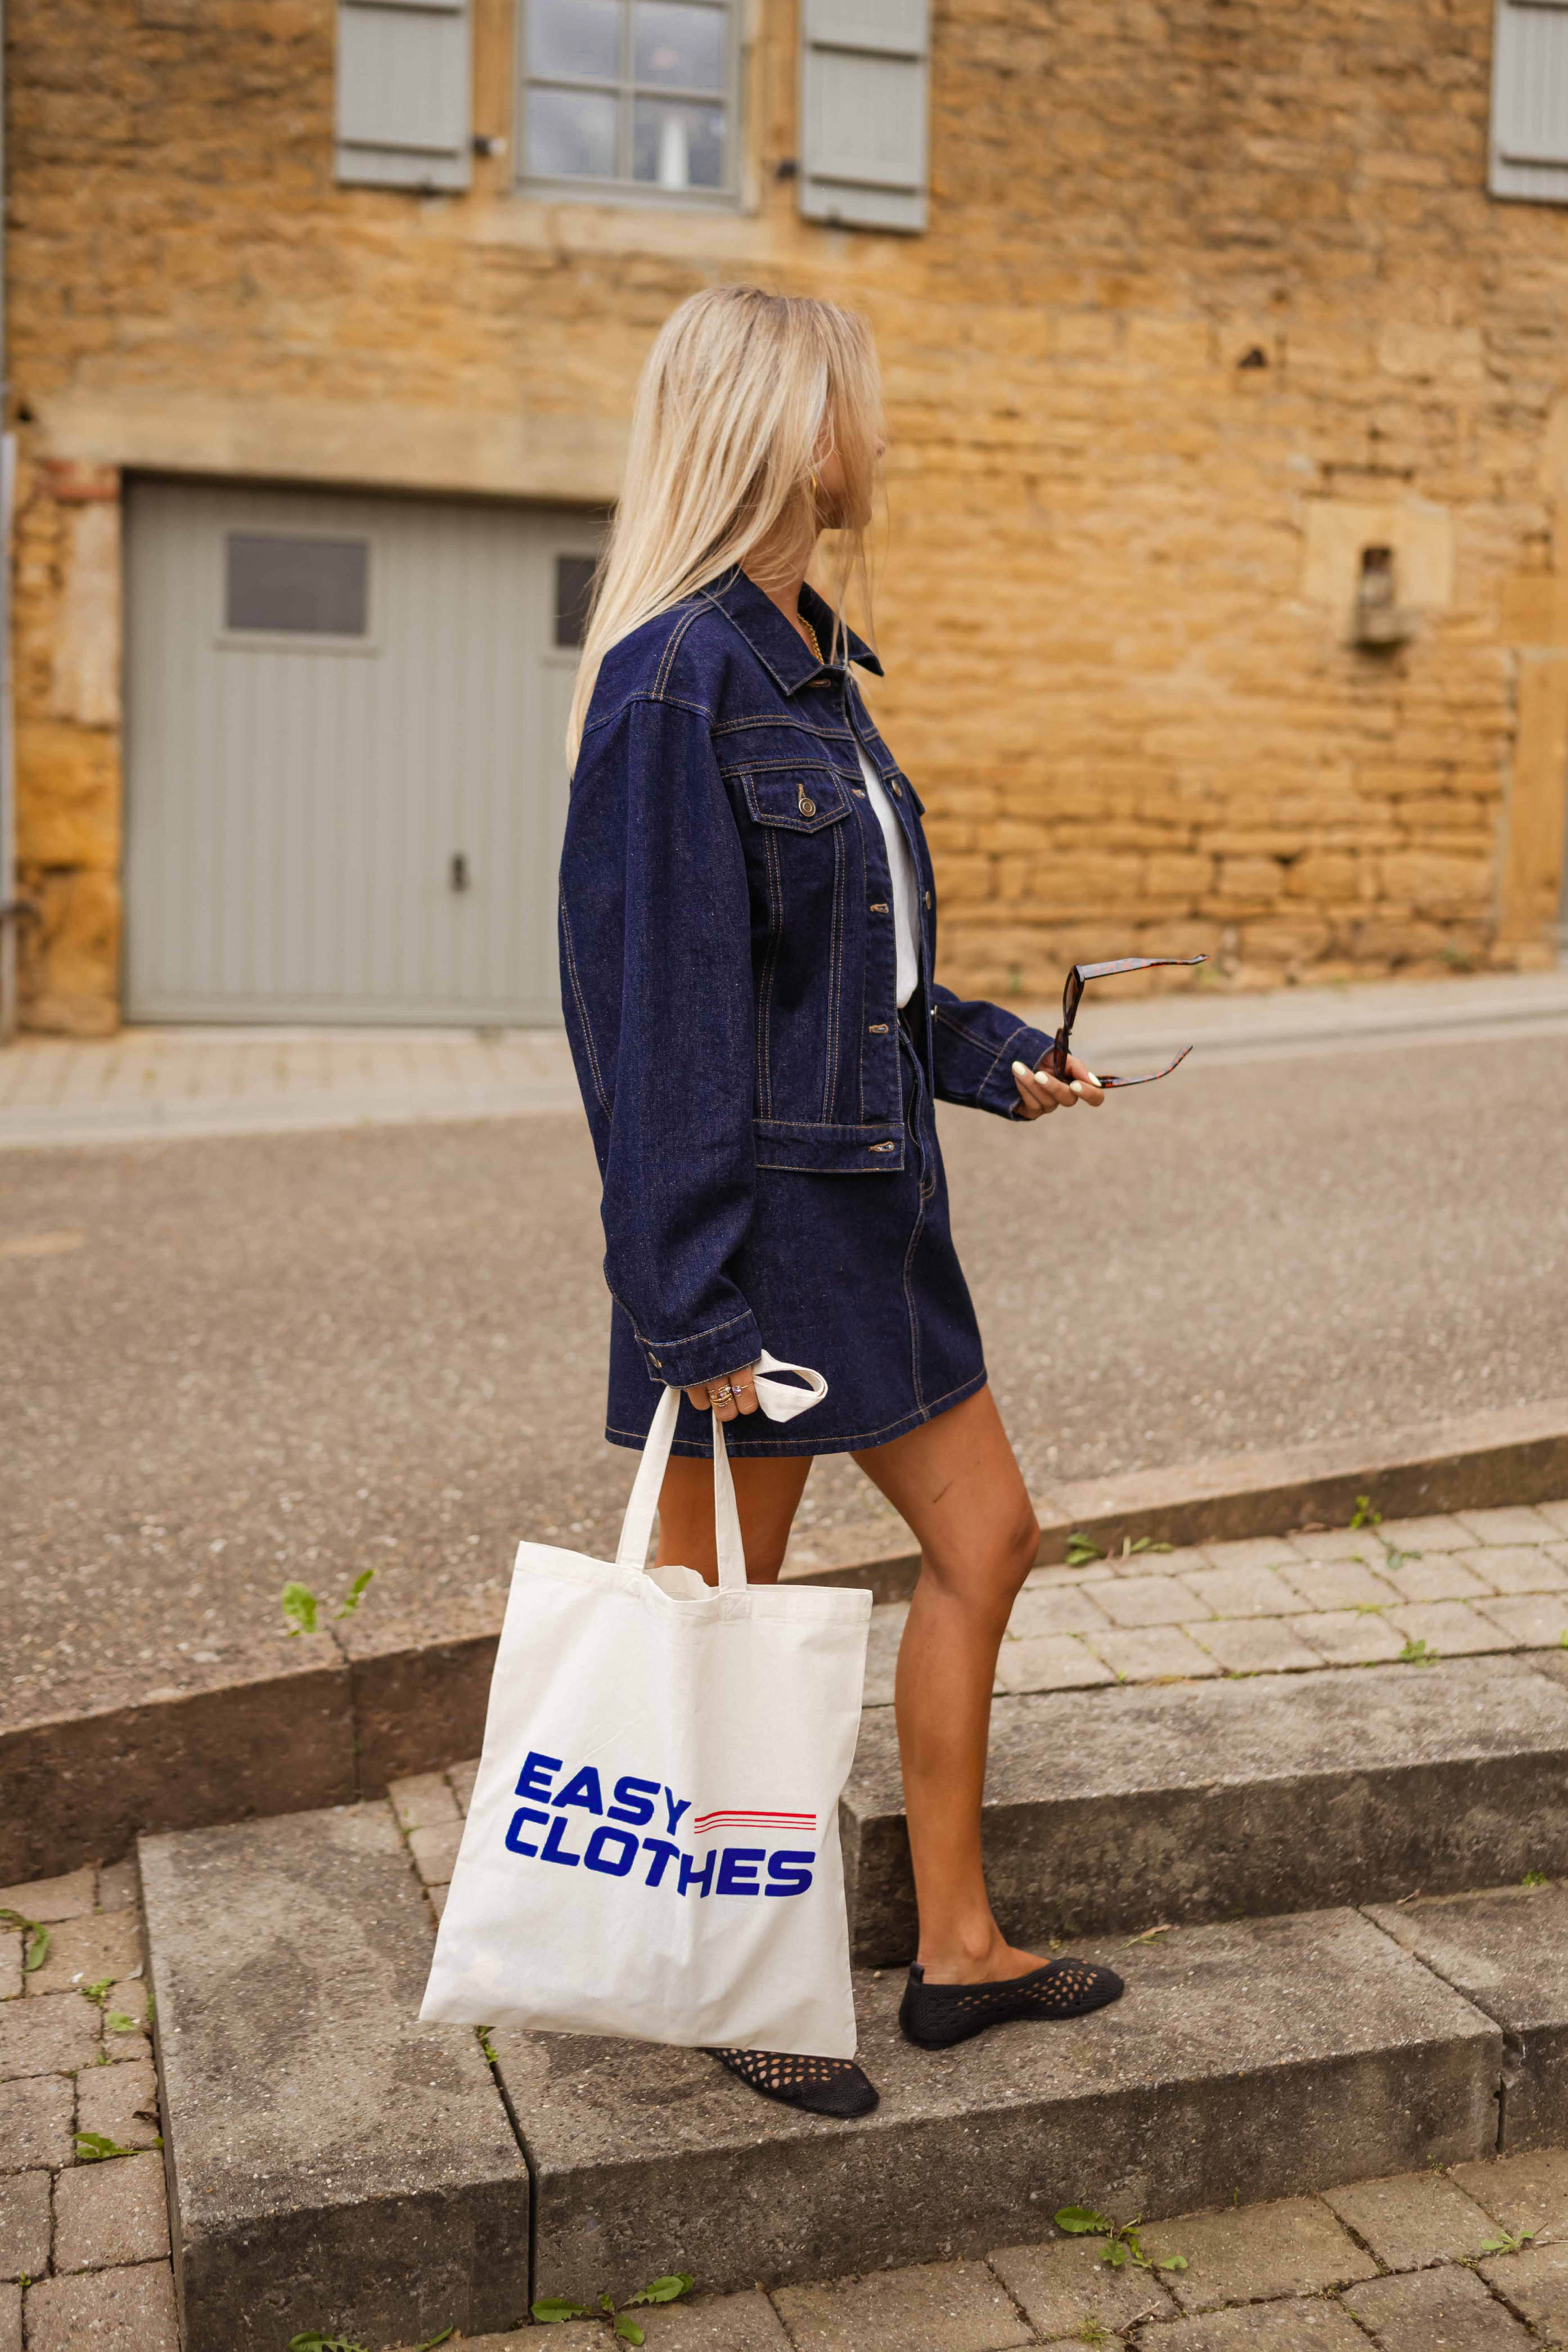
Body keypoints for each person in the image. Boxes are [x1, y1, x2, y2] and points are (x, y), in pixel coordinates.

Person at [557, 285, 1124, 2120]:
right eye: (854, 402)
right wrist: (689, 1309)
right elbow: (656, 1031)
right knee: (719, 1630)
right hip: (754, 1248)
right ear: (786, 429)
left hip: (881, 1220)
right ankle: (730, 1978)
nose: (876, 432)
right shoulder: (672, 683)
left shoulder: (815, 662)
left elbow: (847, 979)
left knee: (989, 1543)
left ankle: (954, 1953)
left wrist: (990, 1055)